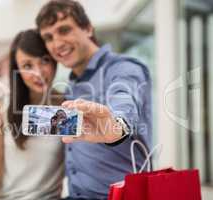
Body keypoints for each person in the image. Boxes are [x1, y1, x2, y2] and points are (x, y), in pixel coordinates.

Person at [35, 0, 152, 199]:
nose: (57, 43)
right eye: (48, 37)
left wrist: (115, 126)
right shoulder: (72, 86)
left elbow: (124, 99)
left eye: (64, 30)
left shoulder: (123, 69)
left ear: (88, 29)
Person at [0, 29, 65, 200]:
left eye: (44, 61)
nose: (38, 72)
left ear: (54, 60)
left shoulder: (67, 106)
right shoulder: (0, 107)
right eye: (27, 66)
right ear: (17, 70)